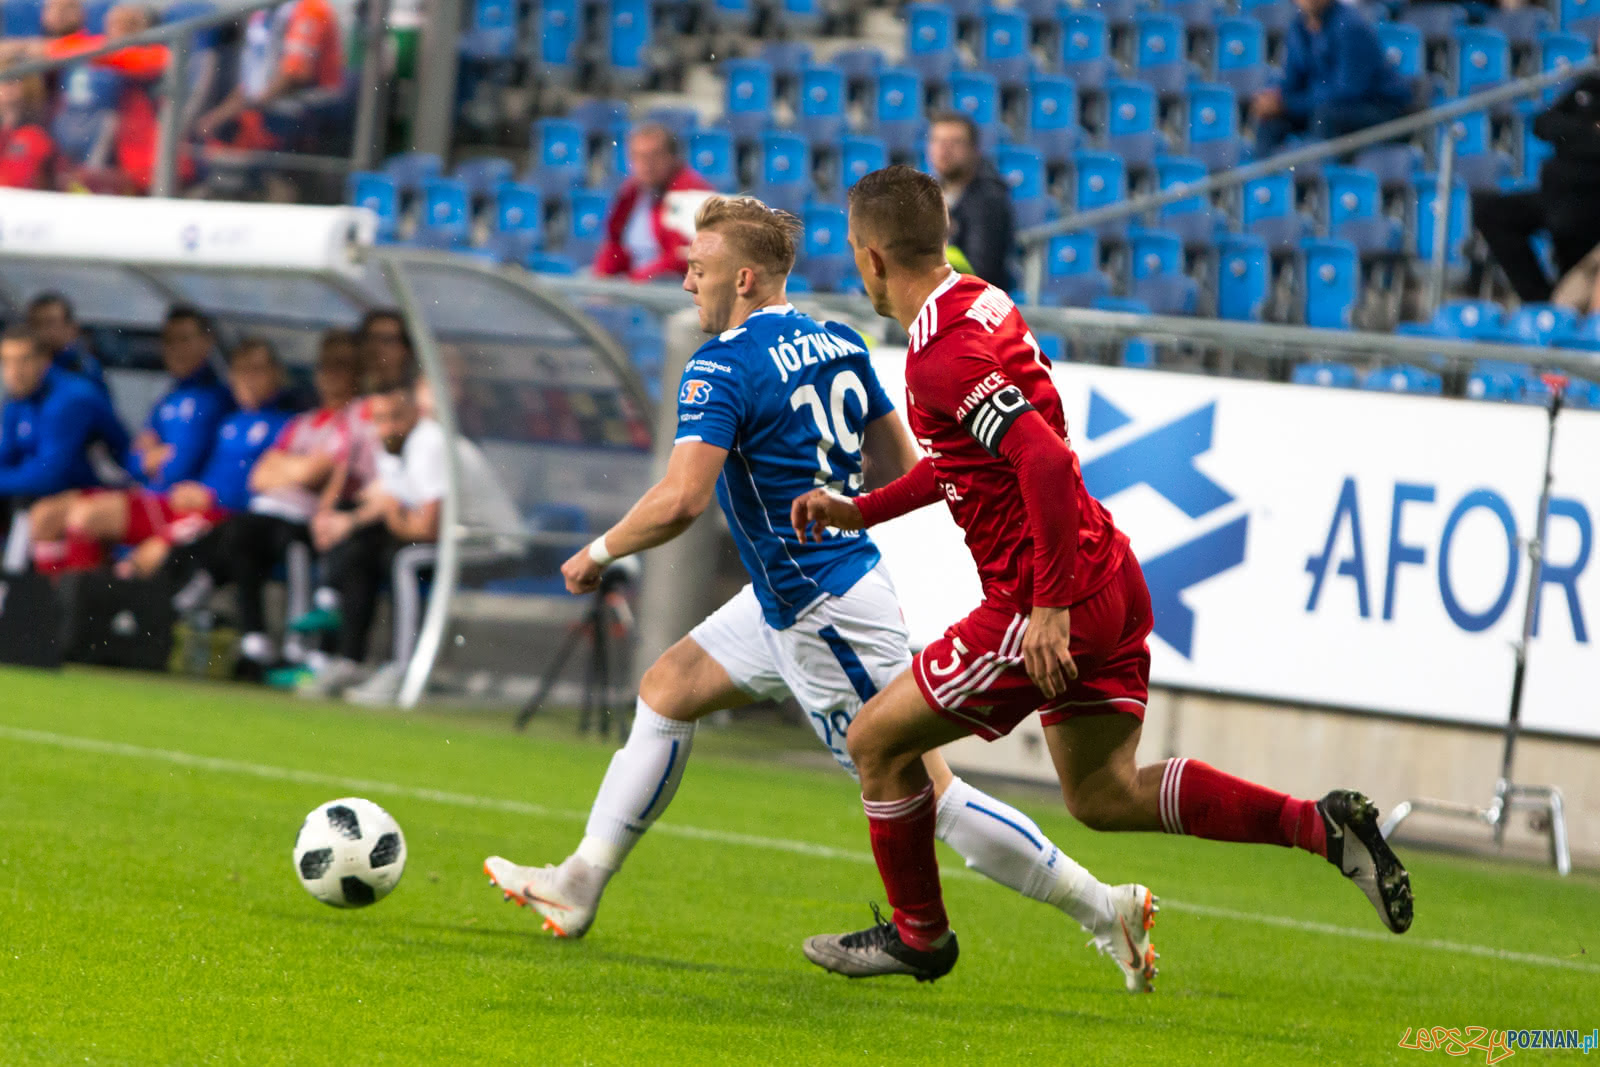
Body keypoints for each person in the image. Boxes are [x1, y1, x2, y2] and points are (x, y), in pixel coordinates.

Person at [479, 194, 1162, 994]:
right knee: (666, 688)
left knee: (925, 791)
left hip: (820, 608)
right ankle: (578, 883)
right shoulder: (836, 338)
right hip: (797, 589)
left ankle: (1101, 906)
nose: (686, 285)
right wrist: (834, 497)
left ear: (742, 277)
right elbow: (908, 462)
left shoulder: (721, 364)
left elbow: (682, 499)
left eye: (697, 271)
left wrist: (596, 552)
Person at [793, 166, 1413, 982]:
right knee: (1103, 793)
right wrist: (861, 509)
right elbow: (963, 459)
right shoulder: (982, 300)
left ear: (871, 257)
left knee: (877, 741)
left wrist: (1046, 607)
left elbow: (1042, 460)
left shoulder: (940, 355)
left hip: (1043, 600)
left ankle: (919, 935)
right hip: (1109, 574)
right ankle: (1320, 826)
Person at [292, 371, 522, 704]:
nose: (387, 427)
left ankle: (404, 669)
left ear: (414, 412)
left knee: (405, 561)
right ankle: (348, 660)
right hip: (450, 541)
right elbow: (386, 498)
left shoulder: (428, 443)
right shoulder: (390, 444)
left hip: (493, 545)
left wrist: (389, 517)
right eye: (379, 419)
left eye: (395, 417)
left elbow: (427, 527)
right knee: (361, 549)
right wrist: (345, 522)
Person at [164, 331, 362, 680]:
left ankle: (290, 645)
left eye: (341, 367)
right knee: (231, 539)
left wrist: (291, 468)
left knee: (256, 538)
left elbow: (317, 471)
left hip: (304, 519)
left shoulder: (353, 421)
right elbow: (260, 475)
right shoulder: (302, 422)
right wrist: (294, 469)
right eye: (325, 367)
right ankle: (245, 636)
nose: (330, 375)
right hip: (265, 514)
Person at [58, 338, 291, 579]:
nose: (248, 381)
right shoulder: (227, 419)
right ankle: (70, 598)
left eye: (257, 371)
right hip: (180, 501)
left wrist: (212, 495)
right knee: (84, 516)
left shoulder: (284, 425)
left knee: (149, 555)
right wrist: (155, 463)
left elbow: (270, 484)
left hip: (224, 515)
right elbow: (136, 457)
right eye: (241, 372)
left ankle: (107, 608)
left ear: (276, 373)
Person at [36, 305, 233, 573]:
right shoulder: (168, 399)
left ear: (207, 342)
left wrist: (152, 457)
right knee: (45, 515)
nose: (176, 349)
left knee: (86, 517)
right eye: (169, 341)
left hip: (176, 505)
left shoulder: (213, 398)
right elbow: (131, 459)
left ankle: (84, 605)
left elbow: (178, 468)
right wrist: (152, 457)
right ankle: (54, 594)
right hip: (149, 496)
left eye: (185, 339)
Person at [1474, 73, 1600, 303]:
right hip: (1557, 193)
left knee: (1567, 223)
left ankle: (1561, 310)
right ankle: (1538, 303)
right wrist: (1589, 131)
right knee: (1491, 211)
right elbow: (1544, 124)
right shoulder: (1589, 84)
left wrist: (1573, 134)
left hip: (1591, 202)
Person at [0, 325, 128, 542]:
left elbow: (50, 476)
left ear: (44, 360)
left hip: (100, 492)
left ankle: (25, 574)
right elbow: (6, 456)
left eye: (23, 360)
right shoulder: (17, 400)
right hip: (49, 492)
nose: (14, 371)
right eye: (7, 362)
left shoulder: (70, 398)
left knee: (39, 512)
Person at [1250, 0, 1412, 157]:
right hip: (1327, 106)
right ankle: (1266, 180)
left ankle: (1324, 178)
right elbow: (1293, 81)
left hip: (1381, 109)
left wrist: (1288, 104)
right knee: (1271, 121)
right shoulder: (1298, 27)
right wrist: (1275, 100)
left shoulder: (1350, 25)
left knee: (1324, 117)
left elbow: (1348, 91)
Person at [192, 0, 344, 152]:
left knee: (245, 131)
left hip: (310, 109)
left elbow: (296, 75)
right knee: (209, 135)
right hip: (272, 106)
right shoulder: (263, 13)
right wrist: (215, 119)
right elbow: (251, 84)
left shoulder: (311, 8)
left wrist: (249, 108)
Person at [592, 124, 714, 282]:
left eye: (654, 156)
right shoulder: (630, 194)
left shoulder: (692, 194)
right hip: (633, 285)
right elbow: (614, 246)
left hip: (673, 290)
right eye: (638, 156)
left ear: (672, 157)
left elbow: (684, 257)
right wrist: (601, 278)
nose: (646, 164)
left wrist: (632, 282)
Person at [927, 112, 1015, 291]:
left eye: (955, 142)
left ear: (975, 150)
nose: (945, 149)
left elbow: (981, 272)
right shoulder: (930, 193)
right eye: (938, 141)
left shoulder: (989, 200)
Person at [26, 292, 104, 388]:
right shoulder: (22, 367)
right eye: (37, 323)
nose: (43, 330)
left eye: (50, 322)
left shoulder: (82, 368)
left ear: (71, 328)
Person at [0, 70, 55, 190]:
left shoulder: (34, 134)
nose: (9, 87)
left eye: (15, 81)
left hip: (24, 199)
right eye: (5, 81)